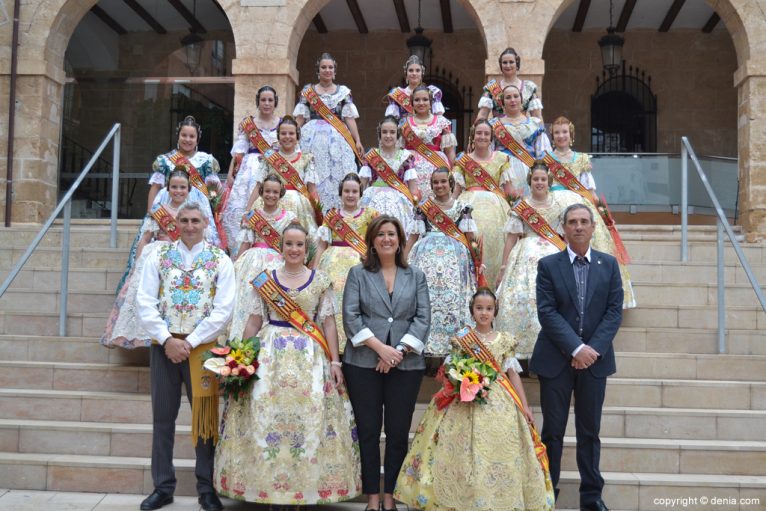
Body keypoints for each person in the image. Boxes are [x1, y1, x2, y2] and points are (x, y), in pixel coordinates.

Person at [214, 223, 361, 505]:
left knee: (308, 420)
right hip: (270, 358)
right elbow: (255, 320)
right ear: (281, 247)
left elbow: (328, 323)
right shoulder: (266, 280)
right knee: (266, 418)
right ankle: (268, 488)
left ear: (307, 249)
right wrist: (242, 358)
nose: (294, 249)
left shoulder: (320, 280)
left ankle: (304, 490)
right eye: (289, 244)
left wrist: (335, 361)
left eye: (299, 245)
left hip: (310, 359)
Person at [395, 288, 555, 511]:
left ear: (495, 311)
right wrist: (459, 381)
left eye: (489, 309)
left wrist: (525, 406)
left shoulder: (504, 340)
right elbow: (449, 369)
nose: (484, 313)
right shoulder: (462, 338)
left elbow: (513, 374)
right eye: (479, 308)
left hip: (500, 399)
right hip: (463, 397)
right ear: (472, 310)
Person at [136, 202, 235, 511]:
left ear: (205, 222)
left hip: (202, 349)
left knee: (204, 420)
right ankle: (162, 486)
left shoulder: (220, 259)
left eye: (195, 220)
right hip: (164, 346)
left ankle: (207, 488)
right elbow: (144, 300)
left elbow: (224, 310)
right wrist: (167, 339)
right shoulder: (159, 255)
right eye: (184, 220)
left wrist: (189, 342)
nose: (189, 225)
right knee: (163, 417)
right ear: (175, 222)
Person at [531, 203, 623, 511]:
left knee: (589, 432)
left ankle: (592, 497)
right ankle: (547, 495)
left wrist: (590, 350)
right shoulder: (548, 265)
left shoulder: (609, 265)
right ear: (564, 228)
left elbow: (613, 312)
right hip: (556, 361)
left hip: (595, 362)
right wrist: (575, 348)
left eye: (585, 221)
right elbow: (547, 312)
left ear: (593, 227)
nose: (579, 226)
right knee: (553, 432)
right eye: (572, 222)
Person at [342, 215, 431, 511]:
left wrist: (398, 353)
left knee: (396, 432)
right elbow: (351, 317)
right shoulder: (357, 273)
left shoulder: (415, 275)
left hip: (405, 367)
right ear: (371, 240)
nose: (386, 239)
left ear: (400, 239)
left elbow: (422, 318)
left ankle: (390, 497)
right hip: (363, 363)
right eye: (380, 234)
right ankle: (371, 497)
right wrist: (381, 349)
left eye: (392, 234)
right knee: (368, 430)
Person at [548, 116, 637, 308]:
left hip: (579, 203)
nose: (561, 136)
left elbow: (590, 190)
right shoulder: (546, 159)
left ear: (570, 135)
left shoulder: (581, 159)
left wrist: (601, 211)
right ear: (552, 136)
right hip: (553, 204)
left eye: (564, 132)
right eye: (557, 132)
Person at [102, 169, 191, 349]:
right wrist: (138, 261)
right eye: (174, 187)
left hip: (183, 254)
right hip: (157, 254)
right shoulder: (158, 212)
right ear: (167, 188)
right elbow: (146, 238)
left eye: (182, 187)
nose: (178, 191)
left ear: (189, 189)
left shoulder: (194, 211)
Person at [495, 163, 569, 362]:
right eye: (535, 179)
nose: (539, 182)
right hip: (523, 255)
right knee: (520, 298)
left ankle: (545, 354)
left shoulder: (559, 207)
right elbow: (511, 238)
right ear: (530, 181)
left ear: (549, 182)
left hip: (552, 255)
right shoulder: (521, 207)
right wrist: (503, 267)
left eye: (543, 179)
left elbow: (565, 237)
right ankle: (518, 354)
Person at [407, 168, 477, 361]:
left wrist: (477, 262)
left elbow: (471, 239)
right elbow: (413, 238)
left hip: (456, 263)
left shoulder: (462, 207)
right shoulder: (424, 207)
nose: (439, 186)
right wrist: (402, 262)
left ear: (451, 183)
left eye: (443, 182)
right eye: (435, 182)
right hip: (425, 261)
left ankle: (453, 347)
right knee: (426, 300)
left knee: (453, 301)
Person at [312, 173, 378, 349]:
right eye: (347, 191)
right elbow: (321, 245)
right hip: (331, 266)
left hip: (358, 265)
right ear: (341, 193)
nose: (350, 195)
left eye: (354, 191)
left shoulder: (370, 215)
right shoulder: (332, 216)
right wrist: (315, 269)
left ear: (360, 193)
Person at [294, 52, 363, 211]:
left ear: (335, 70)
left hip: (338, 139)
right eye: (323, 67)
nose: (327, 70)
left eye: (330, 67)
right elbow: (300, 118)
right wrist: (293, 138)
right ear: (318, 70)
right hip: (311, 138)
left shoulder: (343, 92)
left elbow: (349, 118)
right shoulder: (308, 91)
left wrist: (357, 140)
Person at [452, 119, 516, 285]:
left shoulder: (502, 159)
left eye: (486, 133)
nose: (482, 136)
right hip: (468, 209)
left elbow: (510, 191)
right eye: (479, 133)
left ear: (491, 137)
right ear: (473, 136)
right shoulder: (463, 161)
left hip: (497, 210)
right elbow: (455, 193)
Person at [221, 86, 280, 256]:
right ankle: (239, 253)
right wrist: (232, 174)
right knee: (240, 210)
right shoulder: (249, 124)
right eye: (263, 100)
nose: (267, 103)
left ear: (275, 102)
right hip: (249, 171)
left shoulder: (282, 122)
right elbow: (239, 152)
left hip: (273, 170)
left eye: (270, 100)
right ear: (258, 102)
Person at [147, 115, 222, 247]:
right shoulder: (165, 160)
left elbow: (213, 189)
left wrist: (215, 206)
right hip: (167, 202)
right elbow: (155, 187)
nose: (187, 139)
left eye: (192, 136)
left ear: (197, 139)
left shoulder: (206, 160)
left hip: (198, 203)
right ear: (178, 136)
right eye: (184, 135)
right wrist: (150, 212)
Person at [246, 116, 319, 235]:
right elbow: (259, 186)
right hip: (271, 202)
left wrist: (318, 212)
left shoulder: (306, 159)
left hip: (299, 207)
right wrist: (248, 210)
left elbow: (312, 189)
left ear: (297, 137)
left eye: (291, 133)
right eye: (283, 133)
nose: (287, 137)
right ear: (278, 136)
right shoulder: (269, 158)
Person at [490, 84, 552, 197]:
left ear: (521, 99)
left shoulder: (534, 123)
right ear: (503, 102)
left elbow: (543, 154)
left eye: (516, 96)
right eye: (508, 97)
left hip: (529, 171)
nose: (512, 100)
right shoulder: (494, 125)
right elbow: (489, 153)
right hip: (503, 173)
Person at [359, 116, 419, 233]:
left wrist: (414, 206)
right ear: (379, 134)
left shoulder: (405, 157)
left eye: (392, 132)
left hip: (399, 201)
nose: (388, 135)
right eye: (384, 132)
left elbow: (413, 189)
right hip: (372, 198)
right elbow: (361, 185)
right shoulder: (371, 156)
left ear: (397, 135)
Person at [401, 85, 457, 198]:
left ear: (431, 102)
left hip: (436, 166)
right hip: (411, 169)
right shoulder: (404, 123)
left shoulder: (442, 122)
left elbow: (450, 151)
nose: (421, 103)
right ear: (412, 102)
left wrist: (452, 171)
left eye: (425, 99)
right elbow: (400, 150)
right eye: (417, 100)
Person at [476, 47, 543, 121]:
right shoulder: (492, 88)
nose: (508, 65)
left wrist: (541, 131)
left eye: (511, 62)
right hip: (499, 131)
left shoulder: (529, 88)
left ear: (517, 64)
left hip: (522, 130)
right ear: (500, 65)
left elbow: (537, 116)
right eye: (505, 62)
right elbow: (482, 115)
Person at [385, 55, 445, 122]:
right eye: (411, 70)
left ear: (422, 72)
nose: (414, 73)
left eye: (417, 70)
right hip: (405, 131)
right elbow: (391, 122)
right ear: (406, 73)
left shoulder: (432, 92)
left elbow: (440, 121)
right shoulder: (397, 93)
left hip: (427, 130)